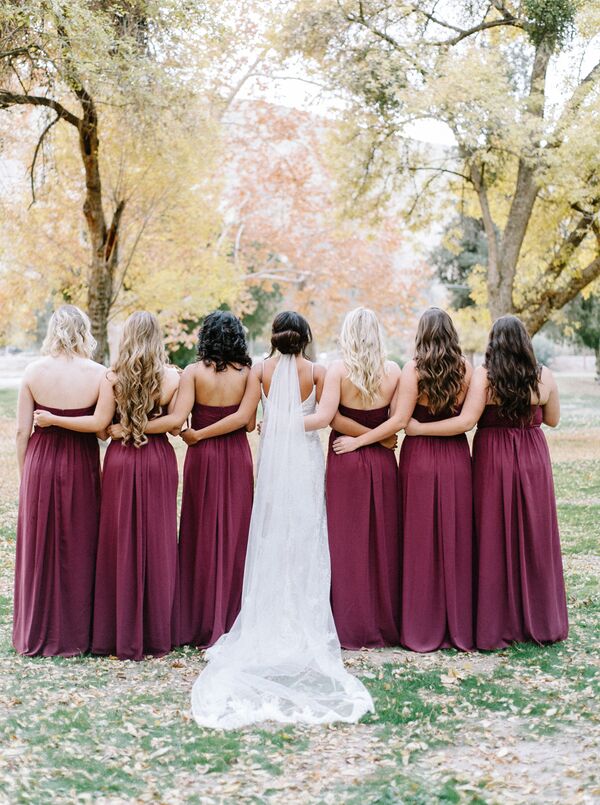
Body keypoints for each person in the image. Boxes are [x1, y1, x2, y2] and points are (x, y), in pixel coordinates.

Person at [190, 311, 374, 729]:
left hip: (275, 457)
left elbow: (250, 418)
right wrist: (290, 425)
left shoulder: (260, 370)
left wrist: (276, 424)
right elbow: (324, 419)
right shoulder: (319, 372)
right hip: (304, 457)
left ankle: (271, 607)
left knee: (271, 527)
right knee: (305, 530)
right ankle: (304, 607)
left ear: (273, 338)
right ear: (306, 337)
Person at [406, 314, 568, 648]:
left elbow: (466, 420)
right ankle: (539, 618)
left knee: (492, 533)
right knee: (535, 534)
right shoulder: (544, 376)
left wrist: (420, 428)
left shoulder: (485, 376)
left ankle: (498, 621)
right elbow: (552, 420)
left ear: (494, 343)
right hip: (533, 458)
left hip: (493, 458)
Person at [34, 311, 180, 660]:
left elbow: (102, 430)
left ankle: (115, 631)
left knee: (117, 540)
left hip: (120, 459)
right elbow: (176, 425)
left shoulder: (112, 377)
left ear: (126, 338)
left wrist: (126, 429)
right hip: (158, 460)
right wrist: (147, 425)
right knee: (158, 540)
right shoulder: (174, 377)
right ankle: (158, 630)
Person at [334, 307, 475, 651]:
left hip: (420, 458)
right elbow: (466, 422)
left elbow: (401, 420)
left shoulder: (413, 370)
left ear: (421, 335)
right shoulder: (467, 370)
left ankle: (417, 622)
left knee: (417, 539)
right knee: (454, 536)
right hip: (457, 457)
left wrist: (418, 429)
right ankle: (456, 621)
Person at [143, 311, 255, 648]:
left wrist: (198, 432)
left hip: (202, 457)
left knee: (199, 531)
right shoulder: (248, 373)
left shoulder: (193, 372)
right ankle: (234, 616)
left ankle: (196, 618)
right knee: (236, 533)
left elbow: (178, 422)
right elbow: (246, 422)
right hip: (236, 455)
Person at [302, 307, 401, 648]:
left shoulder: (338, 371)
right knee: (382, 541)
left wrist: (357, 440)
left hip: (346, 457)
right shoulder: (393, 372)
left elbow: (331, 419)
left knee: (346, 542)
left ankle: (349, 624)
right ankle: (382, 624)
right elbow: (394, 423)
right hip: (382, 460)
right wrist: (375, 439)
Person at [14, 305, 104, 656]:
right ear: (84, 331)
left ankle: (38, 628)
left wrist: (27, 475)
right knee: (81, 540)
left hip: (41, 461)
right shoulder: (99, 374)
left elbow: (23, 430)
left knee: (40, 544)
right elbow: (101, 431)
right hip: (80, 460)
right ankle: (77, 632)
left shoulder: (34, 371)